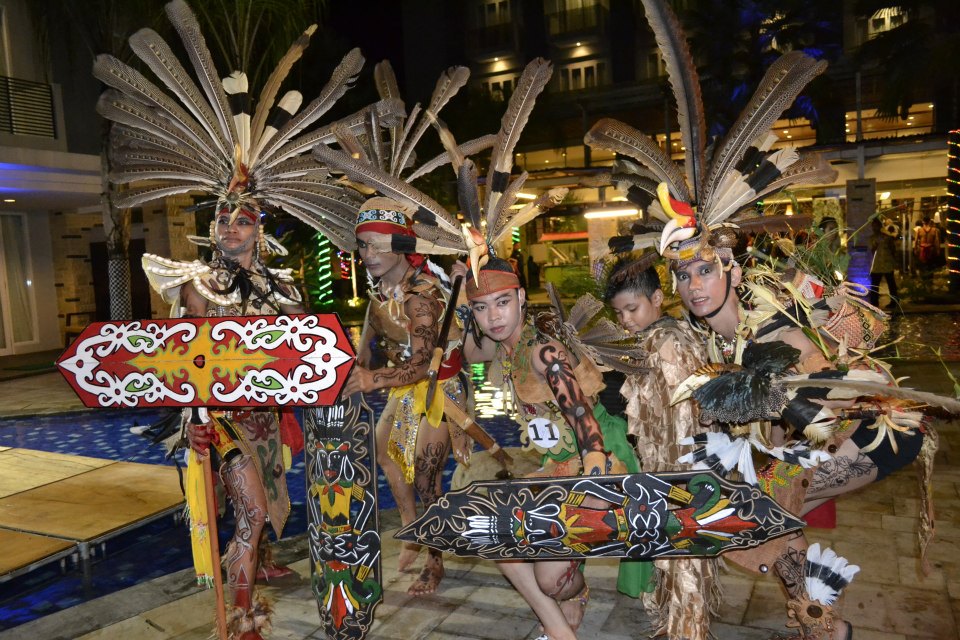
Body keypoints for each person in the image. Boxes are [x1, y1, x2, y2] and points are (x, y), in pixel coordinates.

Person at [669, 231, 934, 640]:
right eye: (684, 277)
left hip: (877, 430)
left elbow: (822, 388)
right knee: (770, 515)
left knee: (765, 507)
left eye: (706, 271)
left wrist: (788, 394)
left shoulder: (770, 330)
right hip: (828, 438)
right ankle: (823, 627)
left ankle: (823, 629)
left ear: (733, 274)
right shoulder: (717, 342)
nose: (695, 285)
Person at [143, 208, 306, 639]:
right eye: (221, 220)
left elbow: (305, 350)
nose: (230, 227)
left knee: (255, 516)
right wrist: (189, 421)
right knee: (251, 512)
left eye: (244, 219)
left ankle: (250, 591)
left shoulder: (283, 288)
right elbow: (181, 362)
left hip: (265, 421)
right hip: (220, 421)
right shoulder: (198, 286)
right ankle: (240, 619)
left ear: (259, 230)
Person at [453, 256, 623, 640]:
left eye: (502, 302)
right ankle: (559, 628)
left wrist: (595, 473)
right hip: (552, 467)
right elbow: (463, 351)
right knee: (492, 533)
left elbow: (581, 413)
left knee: (551, 581)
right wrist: (460, 292)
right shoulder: (505, 345)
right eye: (482, 307)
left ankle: (572, 596)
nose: (493, 316)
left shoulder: (542, 351)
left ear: (520, 298)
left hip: (594, 461)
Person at [342, 197, 471, 596]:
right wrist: (351, 362)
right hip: (403, 388)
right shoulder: (381, 288)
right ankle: (413, 526)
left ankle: (435, 560)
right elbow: (367, 336)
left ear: (402, 244)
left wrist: (371, 380)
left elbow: (420, 365)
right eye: (363, 244)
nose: (369, 253)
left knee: (427, 475)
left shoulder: (421, 294)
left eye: (379, 244)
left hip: (440, 388)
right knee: (383, 451)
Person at [603, 260, 721, 640]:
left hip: (682, 471)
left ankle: (687, 631)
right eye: (619, 313)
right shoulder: (657, 336)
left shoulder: (667, 341)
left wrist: (677, 482)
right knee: (673, 557)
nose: (625, 320)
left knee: (684, 557)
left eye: (632, 309)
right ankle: (677, 626)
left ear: (657, 298)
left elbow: (685, 420)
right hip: (668, 468)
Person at [869, 218, 899, 308]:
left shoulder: (887, 238)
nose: (875, 227)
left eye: (876, 225)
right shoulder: (871, 238)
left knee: (891, 283)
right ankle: (874, 302)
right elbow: (869, 251)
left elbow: (892, 249)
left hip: (886, 263)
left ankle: (894, 302)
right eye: (873, 226)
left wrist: (893, 260)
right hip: (876, 264)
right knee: (875, 284)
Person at [915, 217, 940, 282]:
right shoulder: (934, 230)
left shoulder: (919, 230)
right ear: (929, 222)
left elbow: (916, 240)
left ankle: (923, 281)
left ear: (923, 221)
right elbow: (936, 241)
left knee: (922, 267)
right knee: (930, 266)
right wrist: (938, 250)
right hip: (931, 249)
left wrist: (915, 249)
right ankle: (930, 280)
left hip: (922, 250)